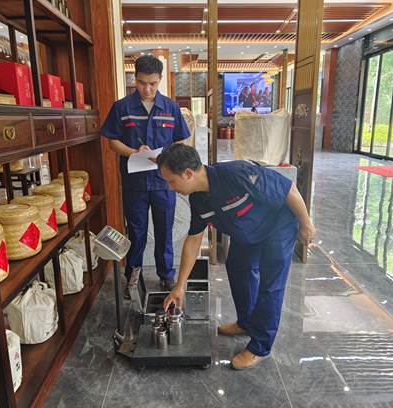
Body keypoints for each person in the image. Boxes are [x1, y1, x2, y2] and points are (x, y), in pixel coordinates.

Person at [157, 144, 316, 370]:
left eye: (171, 181)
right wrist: (180, 286)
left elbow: (288, 189)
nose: (170, 188)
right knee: (237, 266)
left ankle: (260, 346)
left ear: (188, 174)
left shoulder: (236, 173)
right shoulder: (198, 200)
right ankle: (246, 322)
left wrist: (306, 224)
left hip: (277, 226)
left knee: (271, 285)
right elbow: (193, 239)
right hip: (247, 232)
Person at [100, 55, 190, 298]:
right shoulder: (122, 108)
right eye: (141, 83)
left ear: (160, 79)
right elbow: (112, 142)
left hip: (164, 182)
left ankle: (166, 275)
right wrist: (134, 152)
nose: (147, 89)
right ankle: (132, 277)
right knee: (136, 231)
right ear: (134, 78)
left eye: (152, 83)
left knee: (164, 230)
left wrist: (168, 155)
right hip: (135, 183)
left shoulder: (170, 108)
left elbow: (181, 140)